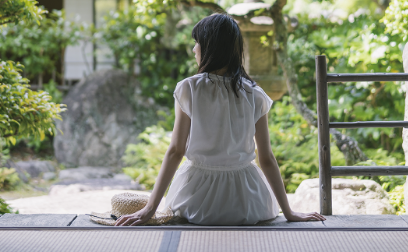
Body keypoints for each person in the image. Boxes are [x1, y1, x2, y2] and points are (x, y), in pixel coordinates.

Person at [116, 13, 325, 226]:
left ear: (209, 47)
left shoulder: (189, 88)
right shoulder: (255, 94)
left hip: (197, 200)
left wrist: (150, 208)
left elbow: (176, 151)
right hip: (249, 202)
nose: (194, 49)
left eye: (197, 43)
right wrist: (289, 212)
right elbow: (267, 158)